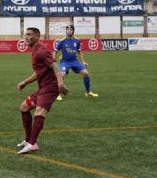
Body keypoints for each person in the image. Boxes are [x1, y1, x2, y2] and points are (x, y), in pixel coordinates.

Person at [16, 27, 68, 155]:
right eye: (25, 35)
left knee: (39, 112)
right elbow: (39, 72)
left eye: (29, 35)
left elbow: (55, 66)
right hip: (43, 87)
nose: (26, 37)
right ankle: (28, 140)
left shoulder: (41, 51)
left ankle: (32, 144)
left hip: (51, 88)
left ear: (37, 37)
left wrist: (60, 84)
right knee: (24, 107)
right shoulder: (35, 51)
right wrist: (25, 82)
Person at [52, 24, 98, 100]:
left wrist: (83, 62)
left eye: (70, 29)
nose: (69, 31)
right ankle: (57, 94)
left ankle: (88, 92)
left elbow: (79, 52)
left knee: (86, 73)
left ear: (73, 31)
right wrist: (53, 61)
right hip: (65, 62)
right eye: (67, 29)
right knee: (62, 75)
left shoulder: (77, 41)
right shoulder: (62, 41)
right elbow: (55, 51)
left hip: (74, 61)